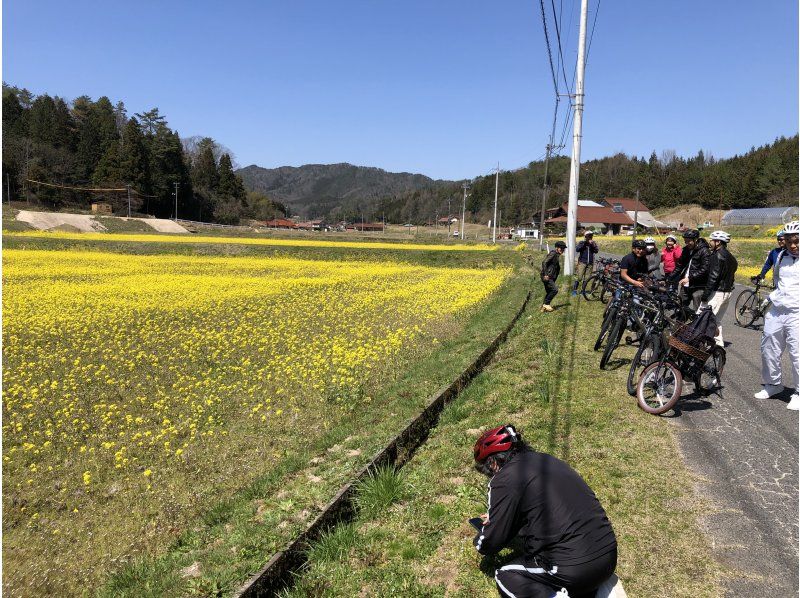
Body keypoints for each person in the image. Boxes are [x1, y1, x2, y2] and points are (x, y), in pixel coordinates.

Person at [472, 425, 618, 598]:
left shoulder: (505, 478)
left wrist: (481, 535)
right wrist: (503, 515)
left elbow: (489, 543)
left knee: (505, 576)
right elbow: (544, 507)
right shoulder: (547, 460)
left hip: (575, 570)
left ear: (493, 463)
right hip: (609, 558)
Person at [754, 221, 799, 409]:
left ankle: (798, 392)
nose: (793, 245)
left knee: (797, 353)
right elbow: (779, 282)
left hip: (797, 311)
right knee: (768, 347)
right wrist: (770, 299)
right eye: (789, 241)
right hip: (777, 309)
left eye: (796, 241)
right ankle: (773, 384)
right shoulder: (780, 256)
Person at [699, 230, 738, 347]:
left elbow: (713, 277)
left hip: (717, 293)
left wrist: (705, 295)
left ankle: (698, 346)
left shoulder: (717, 255)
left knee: (702, 318)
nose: (710, 242)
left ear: (718, 242)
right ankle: (718, 347)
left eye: (712, 240)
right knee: (715, 321)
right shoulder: (731, 257)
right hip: (727, 292)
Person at [671, 229, 711, 311]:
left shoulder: (705, 251)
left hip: (698, 286)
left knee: (698, 311)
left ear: (696, 239)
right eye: (685, 241)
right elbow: (680, 265)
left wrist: (689, 278)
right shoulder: (686, 250)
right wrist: (669, 278)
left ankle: (696, 323)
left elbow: (705, 269)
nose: (687, 243)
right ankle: (680, 323)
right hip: (685, 285)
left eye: (689, 241)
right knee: (680, 308)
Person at [540, 241, 566, 313]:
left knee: (549, 292)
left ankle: (543, 308)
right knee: (554, 290)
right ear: (557, 248)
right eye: (561, 248)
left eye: (563, 249)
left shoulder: (556, 255)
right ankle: (546, 304)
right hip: (547, 276)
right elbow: (544, 262)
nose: (563, 250)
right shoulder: (553, 253)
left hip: (550, 276)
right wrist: (545, 274)